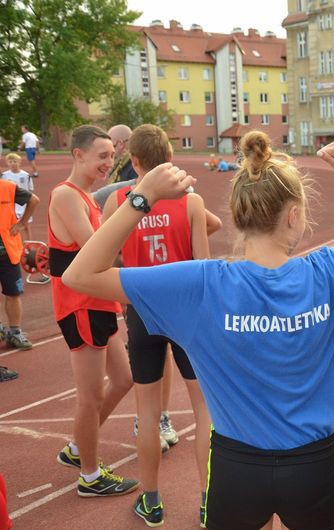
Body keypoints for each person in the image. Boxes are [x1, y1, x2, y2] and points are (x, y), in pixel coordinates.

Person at [62, 132, 334, 529]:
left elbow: (80, 274)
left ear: (238, 215)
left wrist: (142, 197)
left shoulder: (200, 285)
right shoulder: (330, 271)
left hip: (236, 469)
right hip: (313, 467)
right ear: (294, 215)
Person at [101, 124, 212, 526]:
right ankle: (208, 499)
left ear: (134, 162)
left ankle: (150, 500)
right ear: (170, 157)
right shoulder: (192, 202)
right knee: (205, 411)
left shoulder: (118, 202)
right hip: (186, 312)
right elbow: (203, 266)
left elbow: (106, 259)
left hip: (142, 309)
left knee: (147, 414)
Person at [48, 124, 138, 497]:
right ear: (78, 154)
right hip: (80, 305)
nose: (108, 162)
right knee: (91, 395)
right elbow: (94, 247)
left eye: (112, 156)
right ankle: (89, 475)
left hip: (99, 303)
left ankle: (77, 448)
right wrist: (137, 204)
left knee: (123, 379)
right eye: (102, 156)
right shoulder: (65, 196)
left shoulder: (87, 198)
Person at [0, 174, 38, 350]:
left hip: (7, 252)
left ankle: (15, 332)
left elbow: (34, 200)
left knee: (13, 293)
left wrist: (22, 224)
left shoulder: (8, 187)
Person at [2, 153, 35, 241]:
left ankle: (29, 245)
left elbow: (30, 189)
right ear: (7, 163)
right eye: (10, 161)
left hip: (24, 204)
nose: (13, 163)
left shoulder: (26, 175)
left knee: (26, 225)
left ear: (19, 162)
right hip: (12, 205)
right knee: (13, 226)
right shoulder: (4, 175)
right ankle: (19, 245)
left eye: (15, 161)